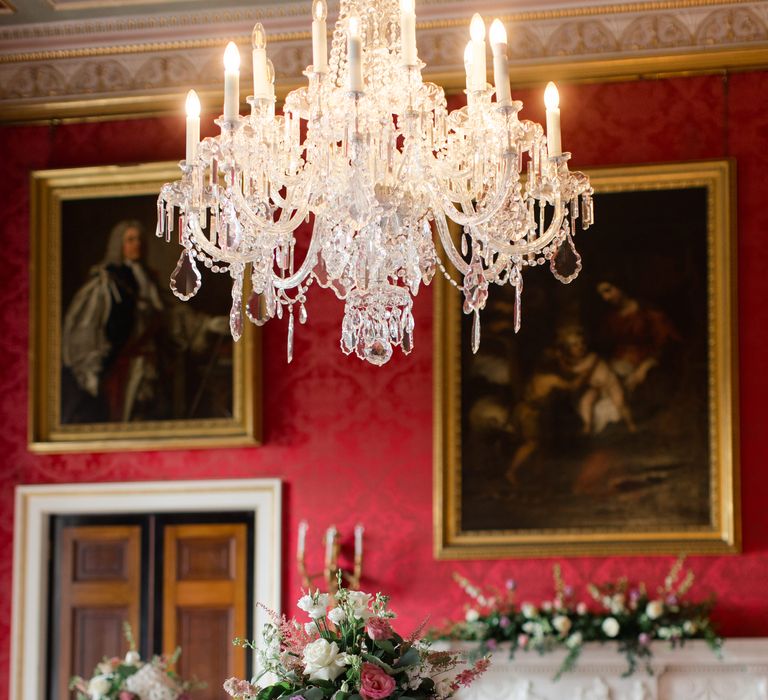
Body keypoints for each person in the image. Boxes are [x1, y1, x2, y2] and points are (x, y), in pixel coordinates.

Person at [62, 219, 227, 424]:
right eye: (130, 240)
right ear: (119, 245)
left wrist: (206, 325)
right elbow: (86, 328)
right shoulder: (106, 282)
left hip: (152, 365)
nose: (136, 244)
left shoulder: (149, 281)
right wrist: (93, 369)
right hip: (123, 367)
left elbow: (171, 314)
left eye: (139, 239)